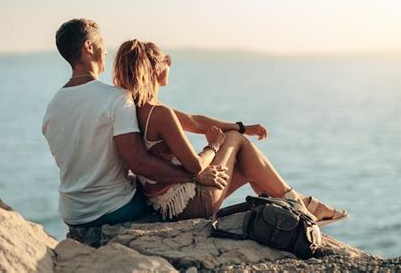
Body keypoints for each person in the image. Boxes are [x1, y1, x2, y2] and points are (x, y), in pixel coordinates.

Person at [113, 39, 348, 225]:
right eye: (167, 61)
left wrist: (243, 127)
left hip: (163, 204)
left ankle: (291, 211)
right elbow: (195, 167)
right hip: (189, 205)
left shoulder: (138, 109)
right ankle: (301, 205)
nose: (170, 65)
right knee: (236, 142)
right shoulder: (159, 113)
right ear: (155, 69)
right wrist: (214, 145)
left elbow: (195, 122)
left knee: (249, 167)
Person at [42, 19, 228, 228]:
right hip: (114, 208)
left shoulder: (52, 107)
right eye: (101, 43)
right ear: (88, 47)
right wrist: (194, 176)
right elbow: (139, 163)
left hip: (72, 213)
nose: (105, 51)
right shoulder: (116, 98)